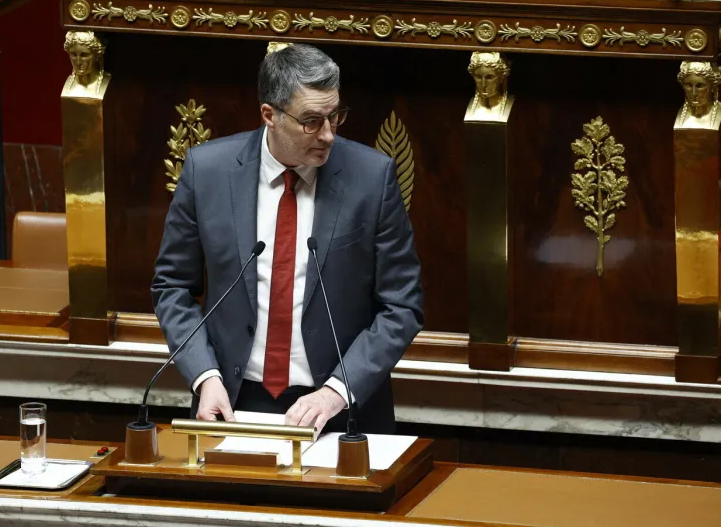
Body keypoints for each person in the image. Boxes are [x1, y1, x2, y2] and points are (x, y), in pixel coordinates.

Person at [152, 44, 423, 434]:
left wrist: (337, 390)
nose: (328, 135)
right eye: (312, 121)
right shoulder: (207, 171)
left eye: (335, 117)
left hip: (339, 408)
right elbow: (172, 286)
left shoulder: (372, 177)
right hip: (233, 401)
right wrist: (204, 375)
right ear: (270, 116)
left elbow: (403, 305)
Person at [465, 51, 513, 122]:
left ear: (502, 78)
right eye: (478, 77)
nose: (483, 84)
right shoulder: (466, 106)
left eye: (489, 77)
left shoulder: (511, 106)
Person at [62, 31, 109, 97]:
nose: (78, 62)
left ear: (97, 55)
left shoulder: (107, 81)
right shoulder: (68, 85)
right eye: (74, 55)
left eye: (84, 55)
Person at [676, 61, 720, 129]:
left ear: (712, 87)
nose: (694, 93)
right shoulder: (681, 115)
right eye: (688, 85)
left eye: (700, 86)